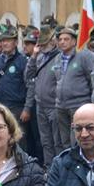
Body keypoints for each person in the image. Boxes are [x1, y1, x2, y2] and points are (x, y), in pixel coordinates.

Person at [53, 27, 94, 156]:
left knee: (76, 138)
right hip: (60, 105)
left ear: (73, 42)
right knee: (64, 140)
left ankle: (80, 162)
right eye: (60, 39)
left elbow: (91, 78)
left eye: (66, 39)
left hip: (78, 104)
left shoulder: (83, 56)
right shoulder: (57, 58)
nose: (62, 42)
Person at [24, 25, 60, 167]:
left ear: (53, 41)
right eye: (41, 43)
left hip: (54, 105)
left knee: (57, 141)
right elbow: (28, 75)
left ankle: (58, 168)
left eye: (45, 43)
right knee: (45, 141)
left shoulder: (59, 57)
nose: (43, 46)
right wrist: (34, 55)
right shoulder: (39, 57)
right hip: (41, 105)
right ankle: (49, 167)